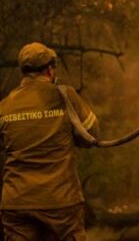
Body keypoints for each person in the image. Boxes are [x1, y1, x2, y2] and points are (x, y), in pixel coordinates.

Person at [0, 42, 98, 241]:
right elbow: (92, 134)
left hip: (17, 203)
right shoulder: (65, 96)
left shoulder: (4, 106)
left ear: (23, 72)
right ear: (50, 69)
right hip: (60, 203)